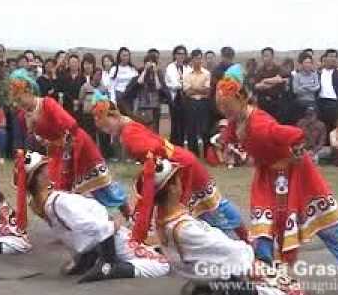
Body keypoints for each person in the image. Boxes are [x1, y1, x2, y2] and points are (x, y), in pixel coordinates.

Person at [215, 77, 338, 295]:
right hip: (267, 177)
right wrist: (224, 141)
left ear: (241, 99)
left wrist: (297, 150)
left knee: (331, 224)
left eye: (227, 105)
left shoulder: (262, 125)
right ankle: (271, 277)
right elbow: (231, 132)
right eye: (220, 107)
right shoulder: (237, 120)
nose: (224, 111)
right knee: (263, 225)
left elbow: (295, 134)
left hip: (298, 175)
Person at [134, 158, 305, 295]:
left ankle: (208, 286)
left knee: (259, 262)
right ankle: (225, 293)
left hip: (200, 266)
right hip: (215, 269)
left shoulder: (163, 218)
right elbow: (229, 251)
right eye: (178, 180)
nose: (182, 182)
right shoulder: (183, 228)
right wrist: (251, 253)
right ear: (171, 189)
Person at [92, 97, 249, 241]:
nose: (107, 131)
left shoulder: (128, 135)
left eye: (106, 126)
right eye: (103, 129)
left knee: (206, 206)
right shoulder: (129, 125)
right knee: (208, 203)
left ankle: (240, 239)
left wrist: (146, 198)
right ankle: (242, 237)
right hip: (179, 163)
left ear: (114, 116)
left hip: (179, 167)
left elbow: (152, 154)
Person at [20, 151, 169, 283]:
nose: (49, 170)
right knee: (162, 264)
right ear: (39, 178)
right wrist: (111, 227)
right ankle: (110, 267)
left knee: (152, 247)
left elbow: (72, 230)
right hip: (110, 239)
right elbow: (91, 226)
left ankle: (89, 260)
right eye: (44, 168)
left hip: (94, 244)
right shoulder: (58, 201)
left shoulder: (37, 204)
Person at [9, 68, 127, 209]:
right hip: (56, 151)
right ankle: (72, 221)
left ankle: (127, 211)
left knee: (100, 183)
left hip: (78, 144)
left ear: (28, 91)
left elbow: (70, 125)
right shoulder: (24, 116)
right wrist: (42, 139)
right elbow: (38, 139)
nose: (19, 104)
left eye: (20, 99)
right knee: (59, 190)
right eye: (16, 101)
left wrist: (66, 148)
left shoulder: (47, 104)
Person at [123, 54, 164, 133]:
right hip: (143, 107)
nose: (150, 64)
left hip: (155, 107)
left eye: (153, 62)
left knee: (154, 131)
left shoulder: (158, 75)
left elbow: (159, 87)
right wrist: (145, 70)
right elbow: (139, 82)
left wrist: (155, 73)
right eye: (148, 62)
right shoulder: (140, 75)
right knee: (143, 130)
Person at [182, 49, 211, 157]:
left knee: (205, 129)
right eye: (195, 59)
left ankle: (207, 154)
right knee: (191, 129)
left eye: (199, 58)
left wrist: (194, 88)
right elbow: (188, 92)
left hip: (203, 103)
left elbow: (207, 91)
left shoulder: (207, 73)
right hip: (191, 103)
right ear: (192, 60)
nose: (197, 61)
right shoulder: (186, 74)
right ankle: (193, 154)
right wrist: (200, 88)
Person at [253, 47, 289, 122]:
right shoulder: (259, 70)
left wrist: (265, 80)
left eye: (267, 56)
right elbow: (256, 86)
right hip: (263, 102)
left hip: (277, 102)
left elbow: (280, 79)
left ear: (272, 56)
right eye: (263, 56)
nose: (265, 58)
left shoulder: (279, 68)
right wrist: (273, 82)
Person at [165, 45, 191, 147]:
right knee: (175, 123)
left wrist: (183, 84)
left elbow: (189, 81)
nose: (181, 56)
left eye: (183, 54)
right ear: (175, 55)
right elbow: (170, 83)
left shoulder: (188, 68)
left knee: (184, 122)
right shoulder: (170, 67)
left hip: (186, 97)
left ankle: (182, 145)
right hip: (175, 97)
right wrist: (181, 85)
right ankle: (174, 146)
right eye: (179, 53)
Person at [317, 49, 338, 133]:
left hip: (334, 104)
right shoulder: (319, 72)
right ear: (325, 58)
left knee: (335, 130)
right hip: (321, 103)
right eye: (330, 56)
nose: (333, 59)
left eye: (335, 57)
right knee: (323, 129)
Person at [292, 52, 320, 120]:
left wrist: (304, 87)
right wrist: (310, 87)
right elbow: (295, 90)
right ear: (302, 64)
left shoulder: (315, 75)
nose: (308, 65)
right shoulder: (297, 76)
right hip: (301, 102)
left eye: (309, 62)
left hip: (312, 101)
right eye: (306, 62)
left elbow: (317, 87)